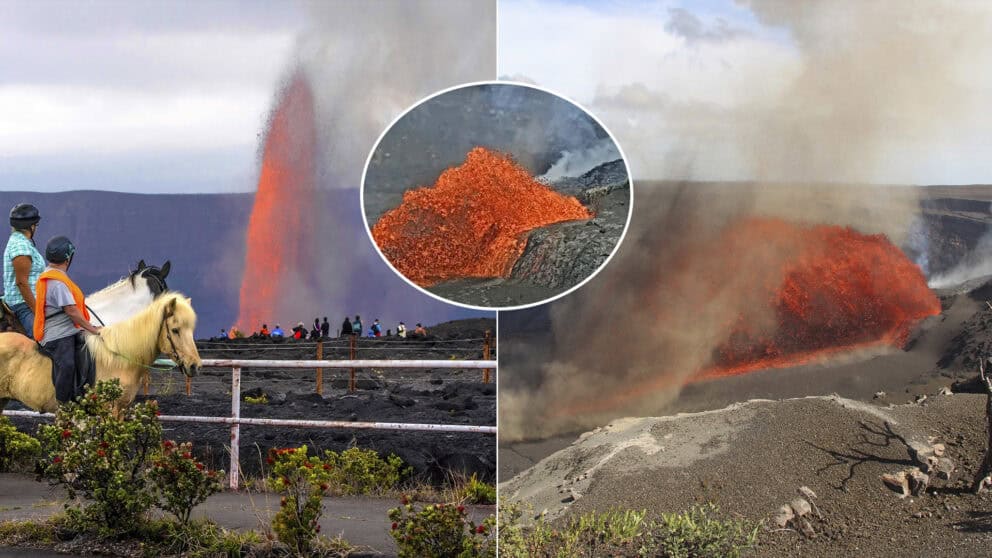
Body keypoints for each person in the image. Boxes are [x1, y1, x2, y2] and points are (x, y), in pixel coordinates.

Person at [34, 236, 102, 403]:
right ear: (68, 258)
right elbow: (71, 311)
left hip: (69, 329)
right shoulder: (58, 283)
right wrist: (92, 328)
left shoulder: (52, 275)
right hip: (57, 334)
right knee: (67, 364)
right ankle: (63, 404)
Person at [3, 204, 44, 337]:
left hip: (28, 301)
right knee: (47, 340)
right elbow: (21, 282)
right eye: (36, 225)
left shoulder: (20, 242)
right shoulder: (21, 246)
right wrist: (38, 312)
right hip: (24, 305)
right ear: (31, 226)